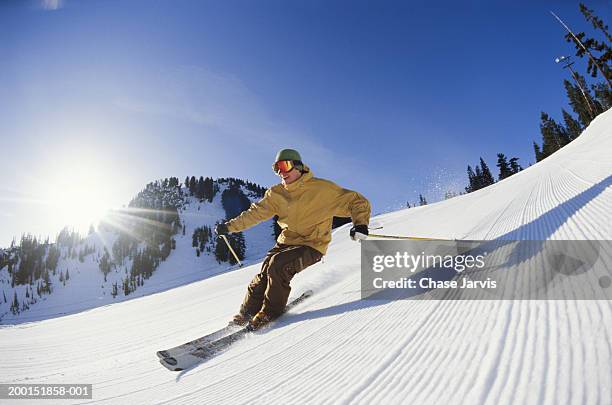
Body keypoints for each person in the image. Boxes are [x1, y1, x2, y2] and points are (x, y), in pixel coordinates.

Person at [215, 148, 371, 330]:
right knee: (265, 272)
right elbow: (255, 213)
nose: (281, 172)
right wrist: (229, 227)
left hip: (312, 245)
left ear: (299, 167)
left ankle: (270, 313)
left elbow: (356, 201)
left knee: (277, 266)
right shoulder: (276, 194)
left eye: (284, 165)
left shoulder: (322, 189)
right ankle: (246, 313)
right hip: (286, 242)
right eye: (277, 168)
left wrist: (360, 224)